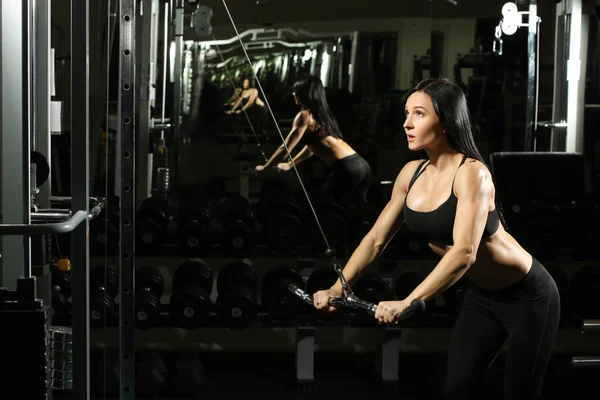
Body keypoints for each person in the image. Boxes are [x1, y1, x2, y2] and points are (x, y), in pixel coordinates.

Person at [312, 77, 561, 399]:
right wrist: (338, 285)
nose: (406, 123)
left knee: (520, 393)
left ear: (445, 120)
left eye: (419, 114)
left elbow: (464, 253)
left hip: (529, 296)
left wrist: (408, 301)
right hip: (482, 298)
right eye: (406, 113)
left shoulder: (472, 173)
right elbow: (375, 240)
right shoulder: (411, 173)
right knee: (456, 389)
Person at [255, 75, 372, 203]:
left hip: (346, 168)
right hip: (361, 165)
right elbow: (311, 148)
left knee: (328, 209)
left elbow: (285, 148)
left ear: (303, 94)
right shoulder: (322, 114)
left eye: (297, 91)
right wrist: (290, 164)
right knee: (354, 213)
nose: (293, 94)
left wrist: (265, 167)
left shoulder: (304, 115)